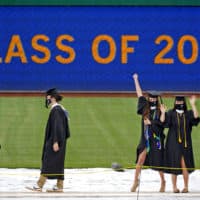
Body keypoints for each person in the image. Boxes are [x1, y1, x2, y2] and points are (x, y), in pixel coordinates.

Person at [27, 88, 70, 192]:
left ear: (53, 98)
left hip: (55, 141)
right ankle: (59, 186)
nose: (47, 100)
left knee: (48, 161)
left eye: (49, 98)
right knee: (58, 162)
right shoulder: (61, 110)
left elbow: (57, 126)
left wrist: (55, 141)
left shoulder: (56, 110)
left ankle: (39, 185)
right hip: (60, 140)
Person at [131, 73, 166, 192]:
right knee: (140, 160)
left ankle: (163, 182)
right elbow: (139, 94)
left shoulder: (159, 109)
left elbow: (162, 123)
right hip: (145, 138)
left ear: (156, 99)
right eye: (150, 98)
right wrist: (136, 79)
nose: (152, 99)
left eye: (154, 98)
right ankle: (135, 181)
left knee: (158, 162)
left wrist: (163, 113)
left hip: (156, 139)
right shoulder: (145, 106)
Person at [164, 95, 200, 193]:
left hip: (185, 143)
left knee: (185, 164)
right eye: (177, 102)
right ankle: (174, 187)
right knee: (174, 164)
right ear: (175, 103)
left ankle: (186, 187)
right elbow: (164, 123)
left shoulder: (188, 114)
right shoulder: (171, 113)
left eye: (181, 102)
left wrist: (193, 104)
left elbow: (196, 118)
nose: (179, 103)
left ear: (184, 103)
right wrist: (163, 112)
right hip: (173, 142)